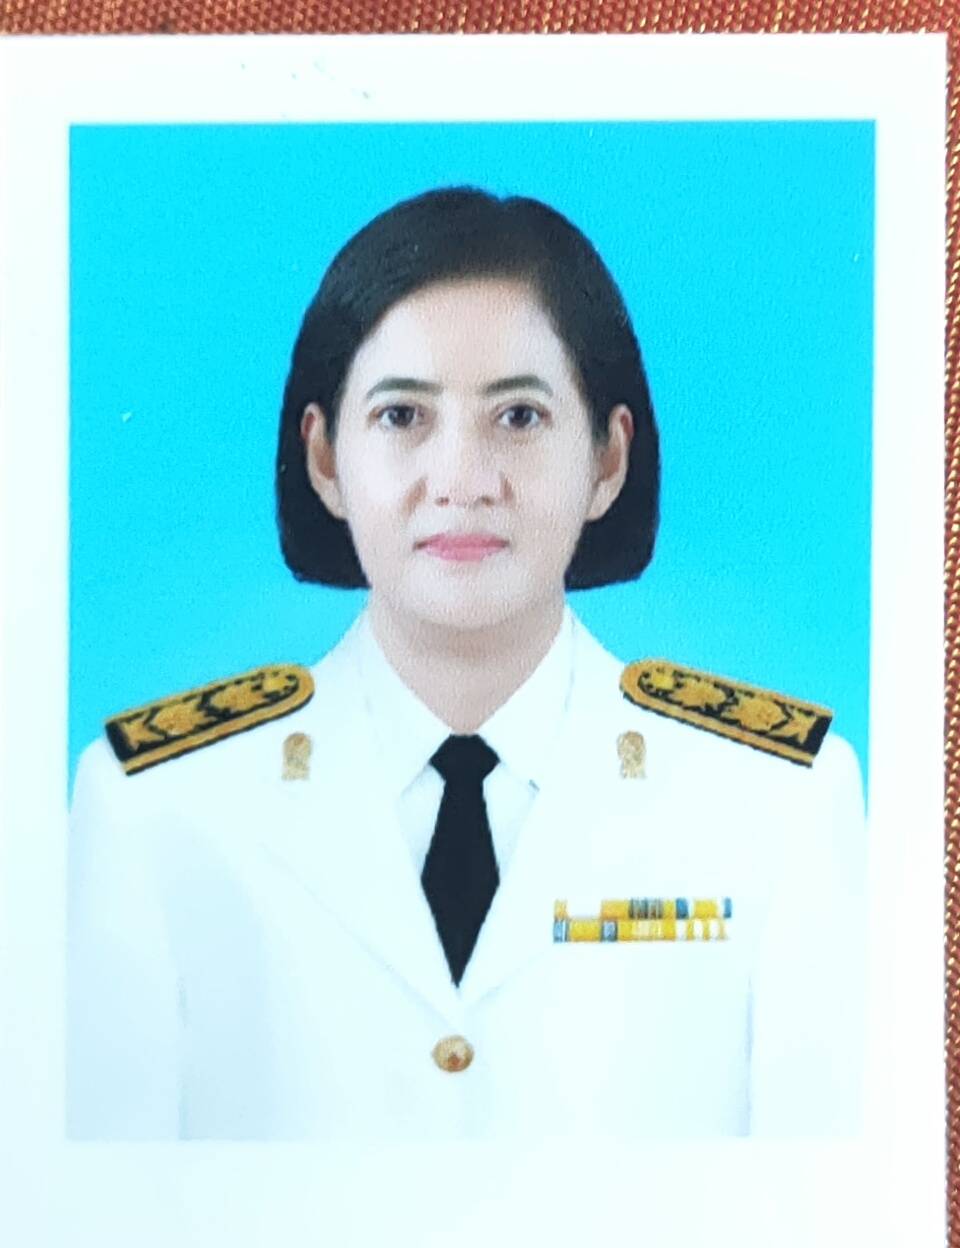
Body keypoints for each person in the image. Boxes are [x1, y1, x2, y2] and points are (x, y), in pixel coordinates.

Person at [67, 187, 867, 1140]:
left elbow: (829, 1200)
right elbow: (97, 1201)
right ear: (324, 460)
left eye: (519, 417)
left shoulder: (775, 802)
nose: (461, 480)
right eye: (402, 415)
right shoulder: (156, 805)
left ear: (608, 460)